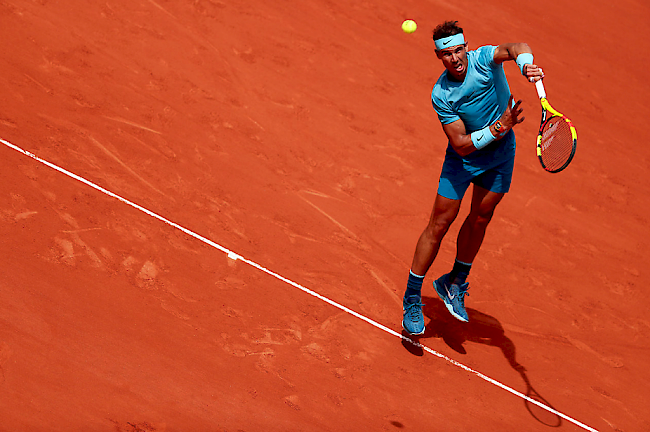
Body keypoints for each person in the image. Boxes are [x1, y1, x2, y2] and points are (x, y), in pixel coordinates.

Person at [402, 20, 544, 335]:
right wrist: (499, 126)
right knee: (440, 222)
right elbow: (462, 145)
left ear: (466, 47)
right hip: (464, 160)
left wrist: (526, 65)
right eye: (446, 54)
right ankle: (412, 297)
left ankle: (454, 281)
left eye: (458, 50)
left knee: (482, 216)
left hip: (501, 154)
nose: (454, 58)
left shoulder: (483, 60)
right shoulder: (441, 94)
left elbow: (516, 48)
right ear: (439, 58)